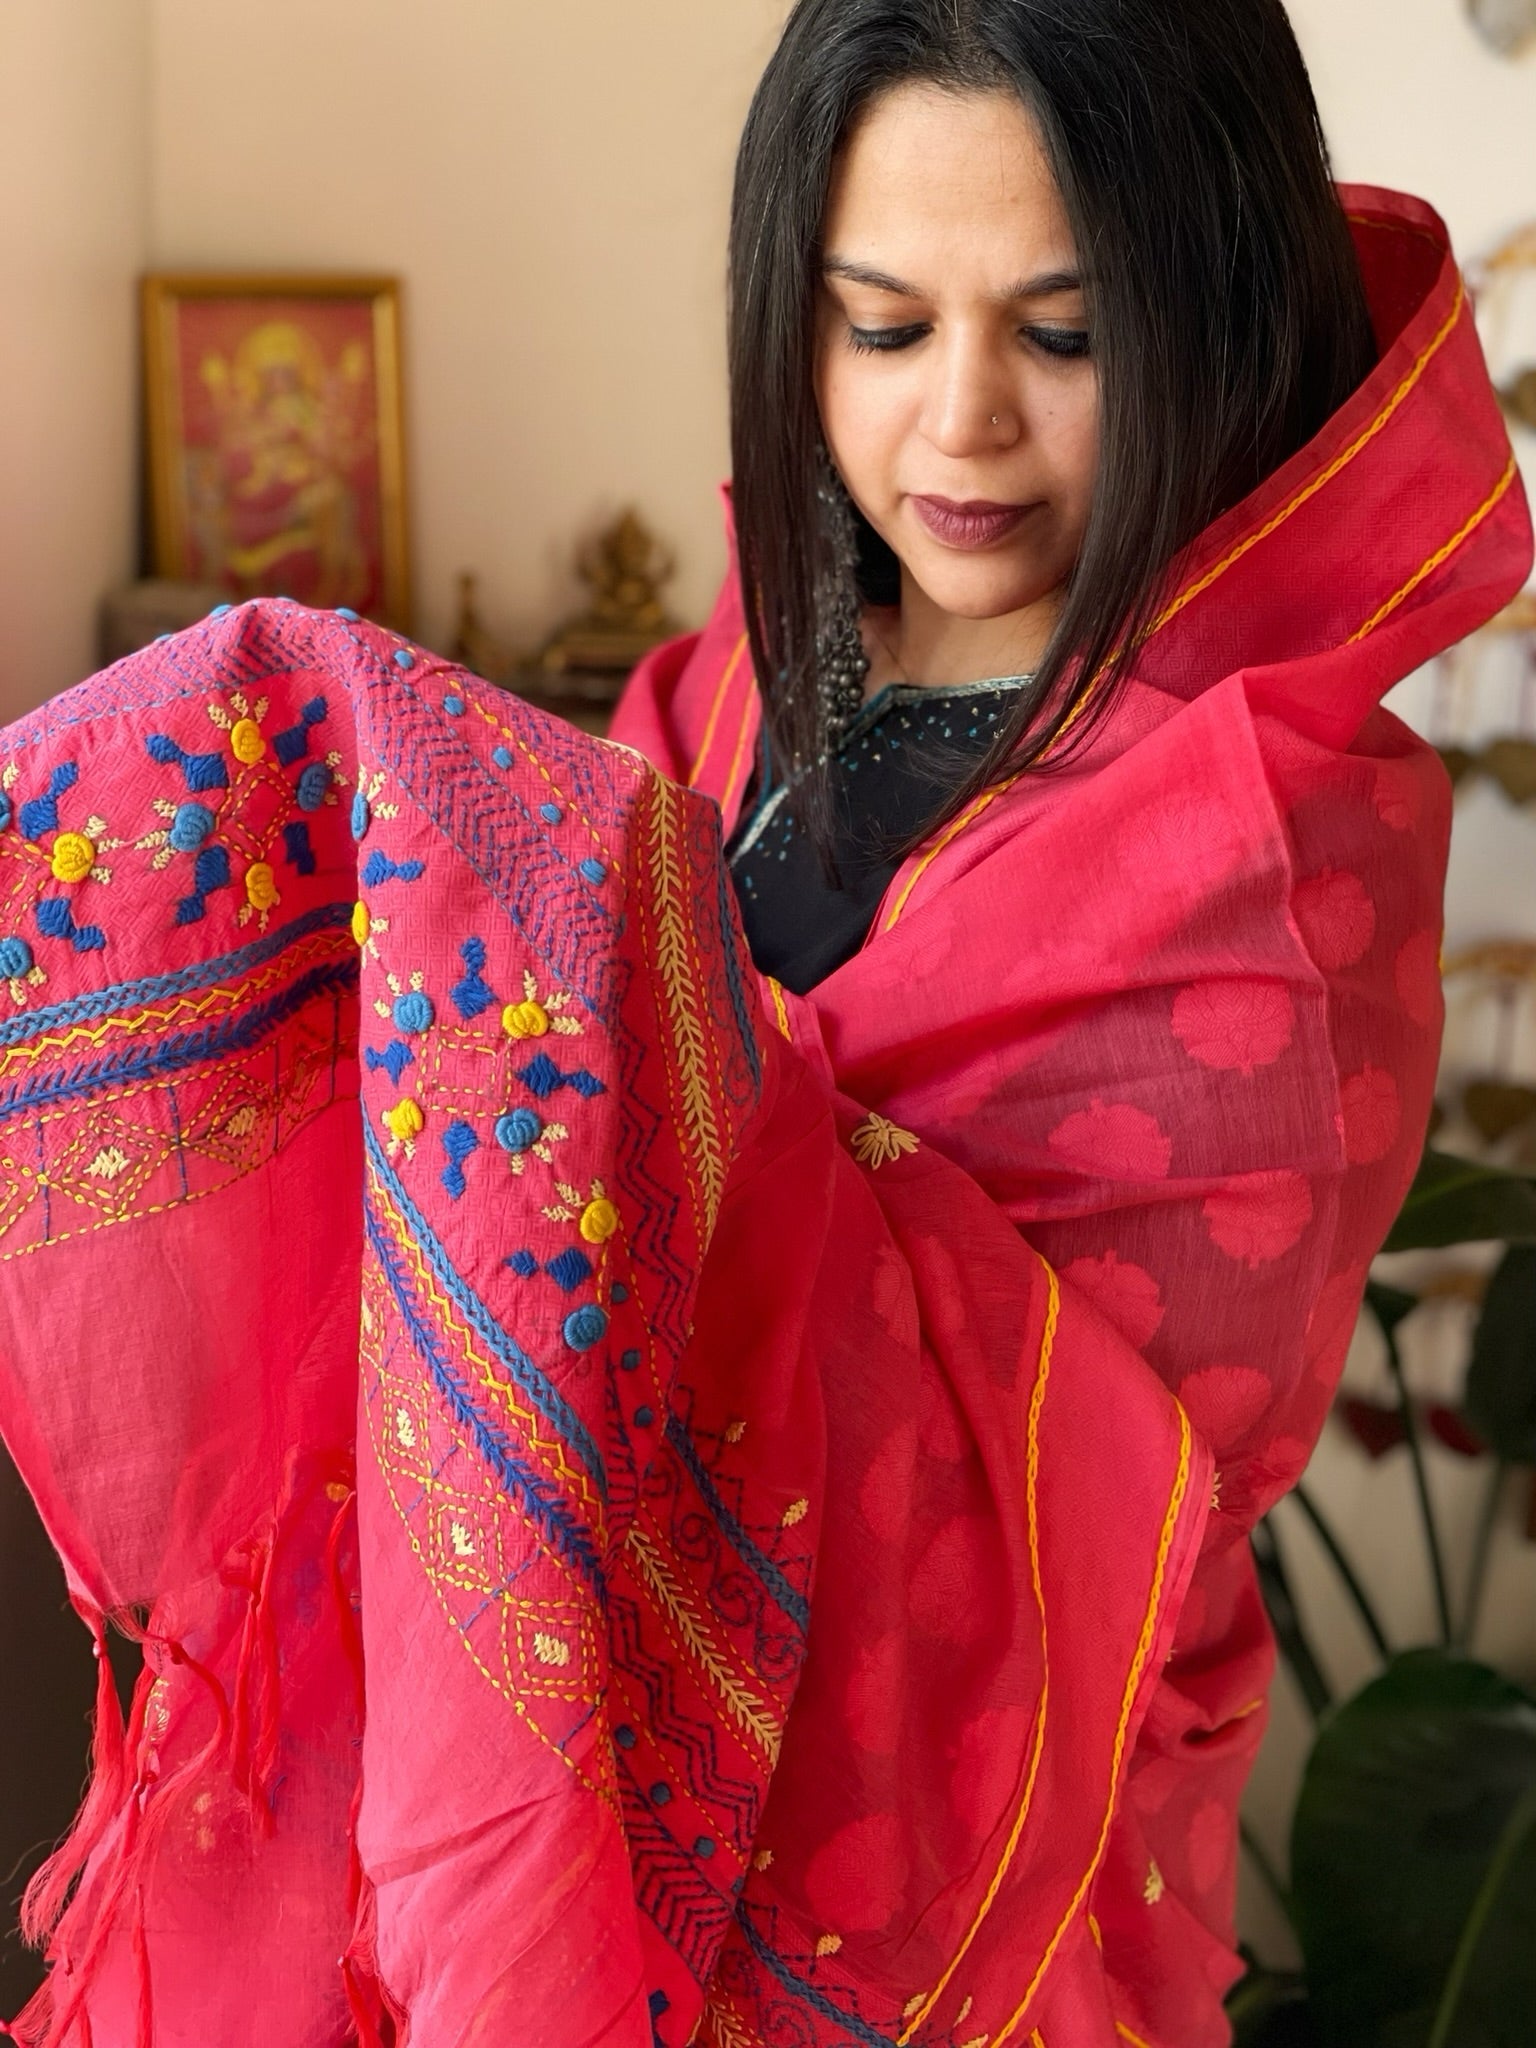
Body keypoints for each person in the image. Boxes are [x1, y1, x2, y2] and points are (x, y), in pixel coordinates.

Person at [0, 3, 1525, 2047]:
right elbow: (597, 975)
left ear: (1211, 313)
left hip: (956, 1898)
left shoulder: (1268, 874)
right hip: (577, 1727)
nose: (958, 426)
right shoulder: (769, 658)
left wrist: (577, 978)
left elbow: (1034, 1490)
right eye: (879, 327)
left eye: (1063, 337)